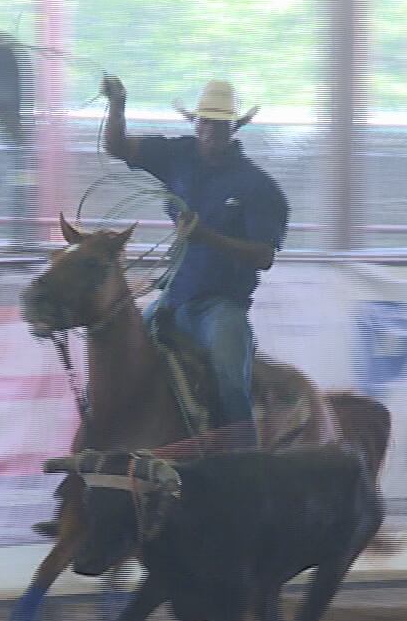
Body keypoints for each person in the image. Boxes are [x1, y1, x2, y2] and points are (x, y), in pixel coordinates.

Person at [100, 74, 289, 446]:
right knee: (121, 353)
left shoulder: (257, 187)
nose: (210, 130)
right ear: (195, 123)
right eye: (205, 121)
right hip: (175, 297)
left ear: (233, 128)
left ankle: (247, 462)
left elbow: (263, 255)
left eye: (219, 123)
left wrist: (207, 237)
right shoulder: (177, 157)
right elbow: (117, 146)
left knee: (230, 376)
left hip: (220, 305)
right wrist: (118, 104)